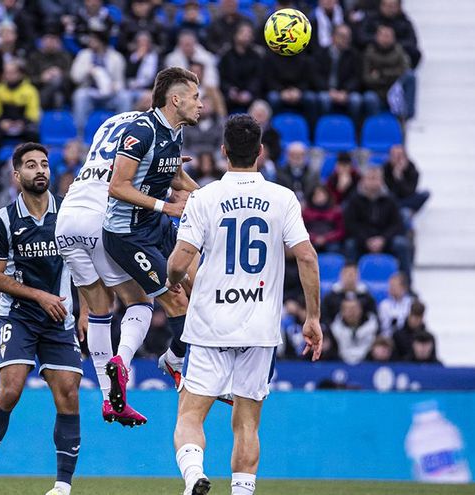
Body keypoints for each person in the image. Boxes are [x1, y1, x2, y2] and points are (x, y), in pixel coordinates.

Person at [166, 114, 323, 495]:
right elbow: (307, 257)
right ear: (261, 153)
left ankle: (194, 477)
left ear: (223, 152)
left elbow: (180, 261)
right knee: (247, 423)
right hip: (259, 327)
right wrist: (313, 318)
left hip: (209, 324)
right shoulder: (283, 198)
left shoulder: (203, 198)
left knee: (190, 413)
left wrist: (173, 284)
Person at [0, 143, 81, 495]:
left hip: (60, 316)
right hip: (19, 315)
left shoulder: (67, 214)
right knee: (11, 390)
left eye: (45, 164)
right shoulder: (3, 221)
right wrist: (39, 296)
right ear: (17, 176)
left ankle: (62, 487)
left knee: (68, 392)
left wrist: (90, 312)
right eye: (31, 166)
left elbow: (85, 265)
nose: (41, 171)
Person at [55, 110, 158, 426]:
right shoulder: (151, 130)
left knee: (100, 310)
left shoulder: (109, 122)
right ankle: (122, 361)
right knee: (141, 300)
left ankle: (109, 400)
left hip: (67, 217)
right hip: (101, 218)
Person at [103, 67, 202, 391]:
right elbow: (117, 186)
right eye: (195, 97)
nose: (201, 105)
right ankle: (183, 362)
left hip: (156, 225)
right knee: (178, 303)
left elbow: (171, 174)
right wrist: (167, 207)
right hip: (127, 235)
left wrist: (207, 198)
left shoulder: (176, 130)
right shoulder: (141, 131)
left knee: (204, 283)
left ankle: (175, 357)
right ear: (176, 99)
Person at [69, 29, 130, 136]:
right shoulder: (83, 55)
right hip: (91, 94)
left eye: (94, 40)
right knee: (80, 95)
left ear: (102, 41)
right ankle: (79, 134)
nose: (90, 42)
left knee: (125, 97)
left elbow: (121, 82)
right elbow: (75, 78)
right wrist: (87, 71)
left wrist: (115, 86)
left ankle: (123, 133)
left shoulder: (116, 57)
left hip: (110, 95)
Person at [330, 295, 380, 364]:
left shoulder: (373, 326)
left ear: (361, 310)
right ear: (342, 312)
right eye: (348, 309)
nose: (352, 312)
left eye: (354, 308)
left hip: (369, 363)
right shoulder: (334, 329)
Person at [377, 271, 413, 337]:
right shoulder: (384, 305)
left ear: (403, 288)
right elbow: (383, 325)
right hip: (388, 338)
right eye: (390, 285)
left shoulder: (411, 303)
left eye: (394, 286)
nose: (391, 288)